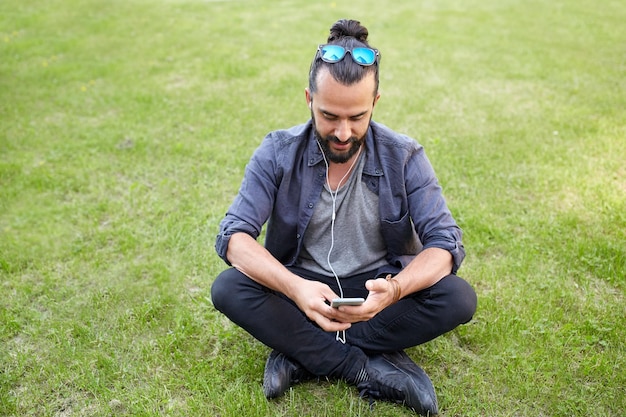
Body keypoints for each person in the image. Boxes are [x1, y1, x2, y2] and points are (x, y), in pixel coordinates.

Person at [211, 18, 477, 416]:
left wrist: (396, 290)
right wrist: (296, 289)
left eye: (357, 117)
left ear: (375, 103)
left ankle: (299, 351)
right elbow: (234, 236)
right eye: (330, 115)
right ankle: (364, 368)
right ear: (308, 99)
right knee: (230, 288)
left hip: (377, 290)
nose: (342, 132)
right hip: (302, 289)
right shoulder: (277, 151)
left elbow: (445, 242)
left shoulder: (404, 156)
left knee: (457, 296)